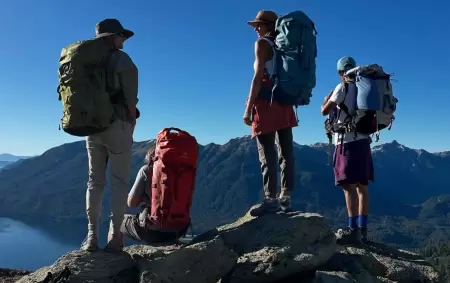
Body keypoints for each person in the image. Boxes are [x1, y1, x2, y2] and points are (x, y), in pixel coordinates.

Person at [82, 18, 139, 252]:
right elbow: (129, 100)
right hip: (117, 126)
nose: (123, 39)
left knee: (95, 181)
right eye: (121, 36)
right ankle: (116, 238)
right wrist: (131, 123)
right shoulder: (122, 60)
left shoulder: (86, 61)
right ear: (112, 37)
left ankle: (92, 237)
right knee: (119, 182)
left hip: (91, 127)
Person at [243, 11, 298, 217]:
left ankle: (271, 200)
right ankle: (286, 198)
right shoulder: (285, 46)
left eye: (259, 25)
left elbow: (257, 77)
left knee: (267, 152)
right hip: (285, 100)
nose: (256, 29)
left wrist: (248, 108)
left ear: (268, 26)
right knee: (286, 151)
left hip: (266, 101)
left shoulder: (262, 45)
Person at [320, 56, 374, 244]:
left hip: (346, 143)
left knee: (348, 187)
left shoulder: (342, 87)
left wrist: (325, 101)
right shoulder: (365, 88)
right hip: (364, 142)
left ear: (341, 73)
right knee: (362, 186)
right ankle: (363, 229)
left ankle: (352, 229)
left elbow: (325, 111)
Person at [120, 146, 189, 244]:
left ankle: (114, 251)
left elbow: (131, 203)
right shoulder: (182, 171)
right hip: (179, 230)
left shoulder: (146, 170)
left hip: (152, 231)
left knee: (116, 220)